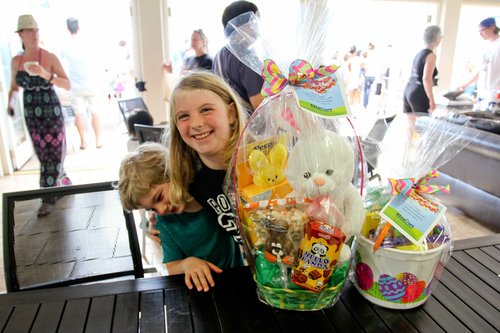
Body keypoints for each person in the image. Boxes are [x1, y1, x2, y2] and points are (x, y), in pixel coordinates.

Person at [118, 142, 243, 292]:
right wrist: (186, 264)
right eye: (152, 208)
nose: (161, 210)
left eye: (159, 197)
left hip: (237, 276)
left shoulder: (211, 192)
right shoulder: (165, 222)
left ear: (173, 173)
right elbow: (172, 267)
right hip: (201, 288)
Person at [168, 72, 246, 248]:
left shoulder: (263, 162)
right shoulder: (189, 180)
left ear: (231, 113)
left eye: (206, 110)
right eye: (183, 116)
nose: (195, 123)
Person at [7, 14, 72, 216]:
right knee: (42, 153)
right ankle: (62, 181)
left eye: (36, 30)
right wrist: (9, 105)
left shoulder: (49, 57)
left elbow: (67, 84)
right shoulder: (16, 61)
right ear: (21, 34)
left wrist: (45, 74)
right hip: (31, 111)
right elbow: (14, 87)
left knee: (54, 152)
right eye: (29, 30)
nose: (34, 34)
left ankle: (48, 196)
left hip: (50, 109)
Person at [212, 0, 264, 113]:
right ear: (240, 25)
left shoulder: (219, 55)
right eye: (254, 21)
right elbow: (260, 105)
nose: (257, 28)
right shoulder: (247, 57)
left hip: (229, 121)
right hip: (248, 125)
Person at [61, 17, 104, 149]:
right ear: (79, 28)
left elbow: (63, 66)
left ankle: (83, 142)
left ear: (68, 29)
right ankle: (98, 141)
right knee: (95, 111)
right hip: (91, 83)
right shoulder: (87, 44)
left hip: (75, 85)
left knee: (78, 113)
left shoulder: (66, 47)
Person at [459, 17, 500, 111]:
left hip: (495, 94)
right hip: (482, 94)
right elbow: (481, 70)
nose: (480, 34)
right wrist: (466, 84)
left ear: (492, 28)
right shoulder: (486, 47)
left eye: (482, 30)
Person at [403, 25, 442, 114]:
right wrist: (431, 99)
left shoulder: (419, 54)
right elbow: (426, 78)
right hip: (419, 93)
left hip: (408, 90)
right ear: (436, 38)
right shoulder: (431, 55)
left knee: (411, 126)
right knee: (422, 125)